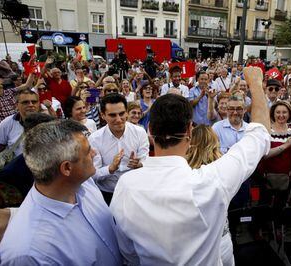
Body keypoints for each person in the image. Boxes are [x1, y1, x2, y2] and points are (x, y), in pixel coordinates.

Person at [110, 67, 271, 265]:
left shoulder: (126, 185)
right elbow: (260, 135)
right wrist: (255, 83)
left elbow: (127, 251)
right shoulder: (211, 181)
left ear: (149, 131)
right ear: (189, 130)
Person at [0, 120, 122, 265]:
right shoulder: (29, 254)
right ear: (67, 168)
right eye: (88, 151)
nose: (94, 154)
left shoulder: (84, 182)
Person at [186, 124, 234, 266]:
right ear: (214, 141)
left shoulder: (183, 167)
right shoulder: (223, 166)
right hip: (222, 237)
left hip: (196, 241)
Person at [89, 94, 149, 204]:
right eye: (112, 115)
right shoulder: (95, 139)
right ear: (103, 115)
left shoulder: (139, 133)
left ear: (126, 112)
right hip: (107, 194)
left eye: (121, 114)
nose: (118, 119)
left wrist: (139, 164)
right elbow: (92, 174)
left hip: (134, 192)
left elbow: (146, 161)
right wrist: (110, 169)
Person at [0, 89, 40, 156]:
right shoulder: (7, 123)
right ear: (17, 105)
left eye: (34, 102)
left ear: (38, 104)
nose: (31, 105)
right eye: (25, 102)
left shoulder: (48, 122)